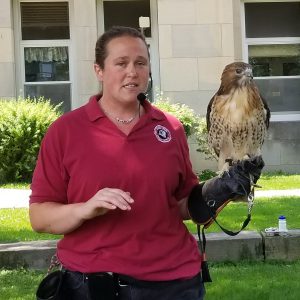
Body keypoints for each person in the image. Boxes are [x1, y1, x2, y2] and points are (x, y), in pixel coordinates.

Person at [29, 26, 264, 300]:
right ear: (99, 70)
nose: (133, 72)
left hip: (175, 282)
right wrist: (84, 209)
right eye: (121, 63)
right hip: (95, 284)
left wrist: (223, 189)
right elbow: (40, 217)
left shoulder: (170, 128)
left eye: (141, 63)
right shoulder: (66, 130)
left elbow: (182, 205)